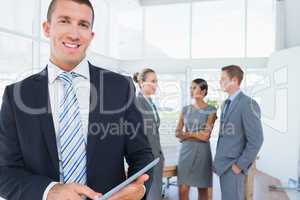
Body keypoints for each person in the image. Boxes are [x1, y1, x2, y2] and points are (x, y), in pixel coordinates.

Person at [0, 0, 154, 200]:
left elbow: (142, 154)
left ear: (91, 35)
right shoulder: (17, 96)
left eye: (83, 24)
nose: (74, 34)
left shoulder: (119, 87)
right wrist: (50, 191)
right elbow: (4, 172)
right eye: (64, 21)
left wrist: (139, 189)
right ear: (47, 28)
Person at [213, 65, 264, 200]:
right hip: (223, 165)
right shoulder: (225, 104)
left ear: (234, 80)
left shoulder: (248, 104)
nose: (220, 82)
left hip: (233, 166)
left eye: (223, 79)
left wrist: (239, 165)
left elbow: (256, 140)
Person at [175, 79, 217, 200]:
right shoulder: (185, 109)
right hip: (186, 151)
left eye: (194, 88)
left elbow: (205, 136)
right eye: (190, 87)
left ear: (203, 91)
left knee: (202, 188)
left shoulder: (211, 110)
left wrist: (187, 134)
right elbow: (177, 132)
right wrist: (196, 134)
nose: (191, 90)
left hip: (202, 152)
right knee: (183, 188)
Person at [133, 68, 164, 200]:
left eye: (156, 81)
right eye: (152, 81)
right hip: (147, 159)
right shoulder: (137, 102)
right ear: (141, 83)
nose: (155, 84)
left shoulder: (150, 102)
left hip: (156, 156)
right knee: (149, 193)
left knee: (155, 193)